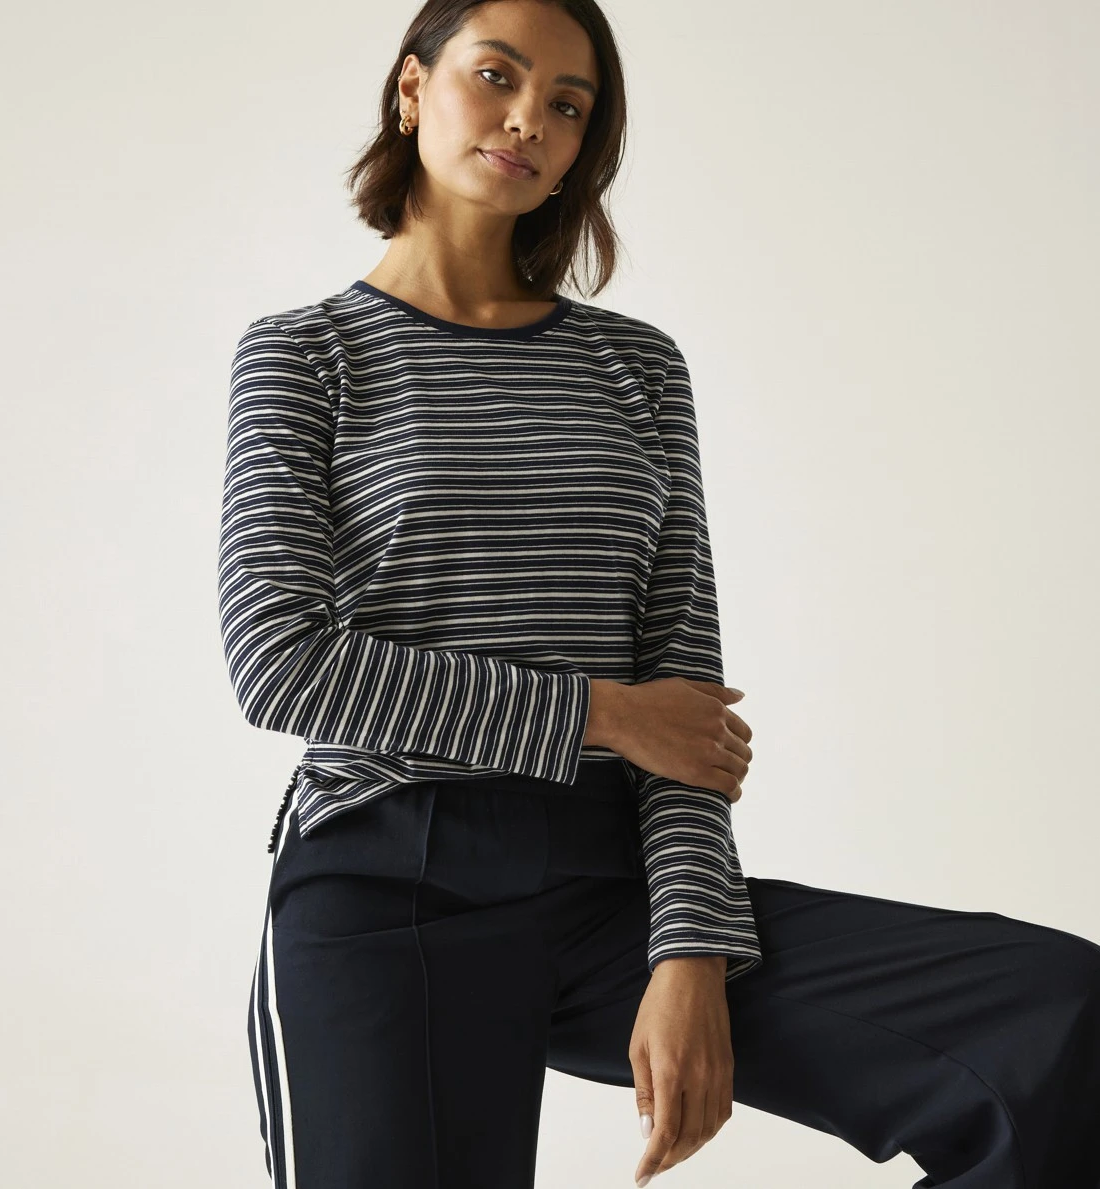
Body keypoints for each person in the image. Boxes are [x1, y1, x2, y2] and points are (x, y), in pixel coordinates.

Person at [215, 2, 1100, 1186]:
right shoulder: (306, 353)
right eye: (496, 76)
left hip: (611, 881)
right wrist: (604, 714)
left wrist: (690, 950)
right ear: (413, 90)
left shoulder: (634, 366)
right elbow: (280, 662)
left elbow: (685, 706)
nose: (528, 120)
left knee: (1049, 1017)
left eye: (568, 104)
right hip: (389, 879)